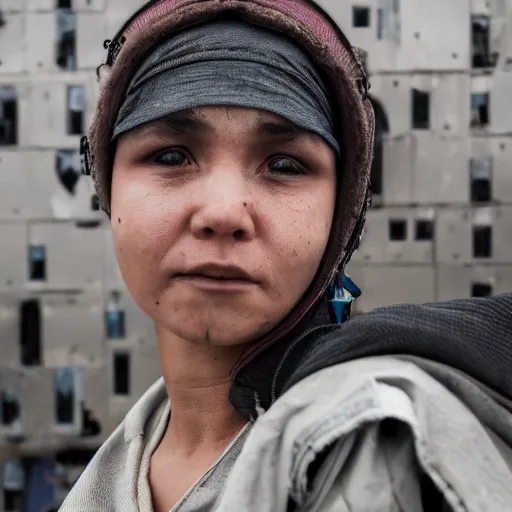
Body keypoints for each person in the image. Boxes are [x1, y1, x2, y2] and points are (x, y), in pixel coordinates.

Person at [62, 1, 512, 511]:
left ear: (339, 216)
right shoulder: (123, 458)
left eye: (284, 165)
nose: (225, 211)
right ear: (110, 188)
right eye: (170, 155)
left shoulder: (373, 445)